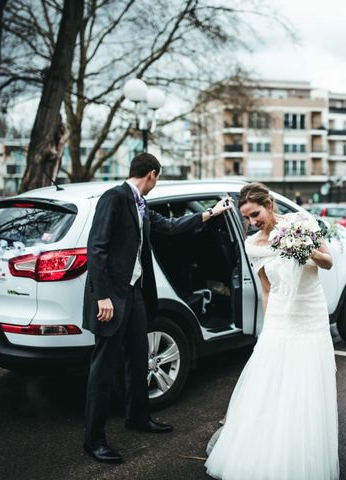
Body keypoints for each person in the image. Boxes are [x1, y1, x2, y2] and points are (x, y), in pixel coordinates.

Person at [83, 152, 233, 464]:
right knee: (104, 370)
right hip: (112, 297)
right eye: (158, 177)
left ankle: (138, 417)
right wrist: (103, 297)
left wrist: (209, 214)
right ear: (152, 174)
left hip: (136, 294)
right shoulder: (114, 198)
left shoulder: (141, 204)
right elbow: (96, 248)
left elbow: (169, 227)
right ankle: (94, 441)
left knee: (140, 358)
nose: (157, 182)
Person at [205, 182, 339, 480]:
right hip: (280, 315)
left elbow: (328, 262)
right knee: (273, 384)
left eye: (255, 214)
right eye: (248, 219)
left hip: (310, 312)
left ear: (268, 204)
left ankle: (303, 455)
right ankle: (267, 453)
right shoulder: (253, 244)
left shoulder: (301, 223)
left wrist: (306, 250)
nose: (253, 222)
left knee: (306, 385)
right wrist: (270, 324)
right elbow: (266, 288)